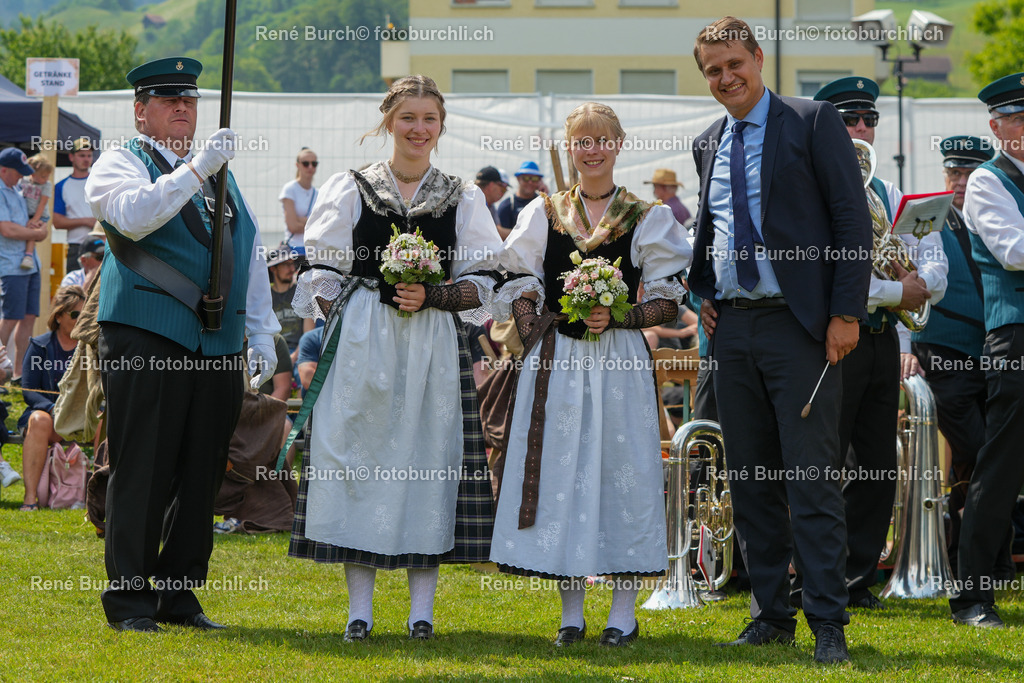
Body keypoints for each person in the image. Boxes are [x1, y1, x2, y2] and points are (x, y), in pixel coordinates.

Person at [287, 74, 501, 642]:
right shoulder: (351, 186)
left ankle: (421, 613)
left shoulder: (462, 195)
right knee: (360, 462)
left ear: (441, 127)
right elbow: (323, 268)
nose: (418, 128)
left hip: (432, 341)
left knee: (429, 463)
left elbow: (483, 277)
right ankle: (360, 611)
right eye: (408, 117)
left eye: (429, 119)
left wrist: (435, 294)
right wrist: (352, 314)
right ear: (388, 122)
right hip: (363, 343)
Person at [689, 17, 872, 664]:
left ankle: (829, 622)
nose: (725, 77)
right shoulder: (708, 140)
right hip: (731, 328)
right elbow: (714, 229)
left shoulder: (813, 118)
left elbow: (852, 217)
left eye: (734, 63)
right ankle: (770, 613)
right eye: (712, 69)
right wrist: (703, 293)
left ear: (759, 58)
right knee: (751, 477)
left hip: (801, 327)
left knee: (812, 477)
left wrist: (846, 312)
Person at [85, 57, 279, 633]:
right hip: (147, 331)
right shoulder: (121, 161)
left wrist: (264, 328)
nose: (182, 110)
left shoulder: (218, 170)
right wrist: (198, 168)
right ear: (140, 110)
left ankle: (180, 593)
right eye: (169, 101)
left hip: (216, 340)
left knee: (202, 473)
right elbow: (132, 216)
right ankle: (129, 598)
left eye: (190, 102)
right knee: (142, 465)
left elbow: (248, 249)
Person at [489, 101, 691, 647]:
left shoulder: (646, 214)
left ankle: (622, 613)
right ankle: (571, 614)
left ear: (619, 145)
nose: (592, 149)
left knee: (621, 471)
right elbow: (518, 281)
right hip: (557, 361)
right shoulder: (543, 210)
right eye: (582, 140)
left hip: (620, 359)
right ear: (570, 147)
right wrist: (535, 332)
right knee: (564, 474)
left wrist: (621, 314)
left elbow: (671, 296)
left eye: (602, 139)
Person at [788, 76, 948, 613]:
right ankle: (809, 578)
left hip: (880, 340)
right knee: (822, 463)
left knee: (876, 466)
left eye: (868, 120)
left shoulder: (888, 190)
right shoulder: (810, 182)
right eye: (849, 120)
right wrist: (892, 290)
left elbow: (926, 248)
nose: (860, 129)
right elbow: (829, 269)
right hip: (833, 338)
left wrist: (916, 286)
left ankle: (856, 579)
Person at [911, 136, 1013, 576]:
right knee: (980, 450)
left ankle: (984, 564)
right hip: (941, 351)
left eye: (968, 172)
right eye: (952, 172)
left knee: (988, 456)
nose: (958, 181)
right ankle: (977, 564)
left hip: (989, 353)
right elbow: (899, 275)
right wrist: (903, 348)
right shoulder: (926, 217)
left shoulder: (995, 210)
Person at [948, 73, 1024, 629]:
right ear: (996, 128)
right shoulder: (985, 181)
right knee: (1000, 468)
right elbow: (1014, 250)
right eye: (1018, 120)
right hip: (1015, 334)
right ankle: (972, 597)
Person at [17, 285, 85, 511]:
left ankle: (100, 499)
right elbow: (28, 390)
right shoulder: (40, 345)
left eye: (85, 314)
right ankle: (29, 500)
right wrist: (54, 409)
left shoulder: (91, 347)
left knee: (108, 418)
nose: (80, 319)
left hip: (82, 418)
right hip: (49, 416)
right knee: (38, 420)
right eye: (76, 314)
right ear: (59, 316)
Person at [0, 147, 48, 381]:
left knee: (28, 317)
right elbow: (6, 229)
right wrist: (38, 234)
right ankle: (2, 372)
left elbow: (41, 219)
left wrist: (41, 228)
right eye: (17, 171)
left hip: (31, 264)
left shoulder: (18, 188)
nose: (22, 176)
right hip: (10, 266)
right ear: (3, 170)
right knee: (10, 318)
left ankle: (18, 374)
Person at [53, 137, 96, 274]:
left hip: (100, 245)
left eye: (89, 155)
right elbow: (57, 222)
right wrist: (86, 221)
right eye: (82, 155)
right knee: (75, 292)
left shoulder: (99, 181)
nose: (86, 159)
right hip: (76, 247)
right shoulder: (61, 186)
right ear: (71, 157)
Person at [267, 245, 311, 364]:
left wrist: (293, 357)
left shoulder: (303, 293)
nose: (292, 269)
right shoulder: (265, 298)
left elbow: (308, 335)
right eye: (286, 264)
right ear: (273, 269)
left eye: (293, 264)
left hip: (299, 353)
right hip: (273, 352)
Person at [20, 154, 53, 270]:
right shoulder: (23, 181)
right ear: (33, 174)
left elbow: (42, 203)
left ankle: (28, 256)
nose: (46, 179)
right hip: (26, 214)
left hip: (40, 215)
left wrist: (34, 220)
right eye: (44, 176)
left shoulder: (46, 185)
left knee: (32, 232)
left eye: (48, 176)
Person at [280, 147, 318, 248]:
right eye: (306, 163)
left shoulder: (318, 193)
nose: (310, 167)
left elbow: (324, 224)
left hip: (313, 250)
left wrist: (299, 220)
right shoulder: (290, 189)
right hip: (294, 249)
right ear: (298, 165)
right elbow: (292, 226)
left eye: (314, 164)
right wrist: (313, 223)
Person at [496, 161, 542, 232]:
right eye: (526, 178)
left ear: (539, 181)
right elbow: (500, 235)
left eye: (534, 179)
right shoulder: (507, 206)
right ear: (518, 179)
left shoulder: (543, 204)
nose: (530, 182)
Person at [474, 165, 509, 234]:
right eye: (503, 188)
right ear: (491, 186)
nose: (503, 193)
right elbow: (495, 232)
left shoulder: (490, 205)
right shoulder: (474, 203)